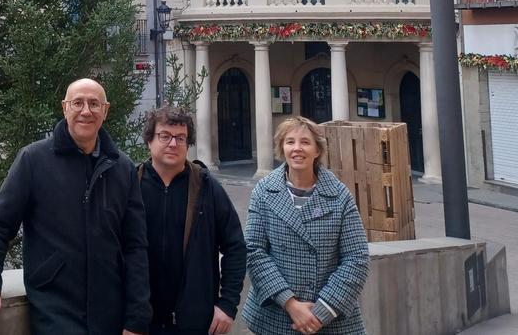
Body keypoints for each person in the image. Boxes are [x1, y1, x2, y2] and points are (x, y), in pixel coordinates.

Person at [0, 78, 151, 334]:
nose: (86, 110)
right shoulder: (33, 160)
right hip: (54, 312)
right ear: (65, 108)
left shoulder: (123, 168)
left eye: (94, 104)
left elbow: (135, 246)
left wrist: (137, 317)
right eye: (78, 103)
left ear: (105, 111)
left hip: (111, 315)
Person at [242, 117, 369, 335]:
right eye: (290, 142)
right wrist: (290, 304)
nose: (297, 149)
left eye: (305, 142)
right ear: (282, 148)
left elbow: (357, 258)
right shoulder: (263, 191)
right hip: (277, 316)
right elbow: (254, 251)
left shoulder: (340, 195)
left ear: (317, 150)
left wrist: (321, 312)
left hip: (331, 319)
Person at [139, 107, 246, 335]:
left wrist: (227, 304)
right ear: (149, 140)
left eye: (181, 138)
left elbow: (235, 247)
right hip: (141, 321)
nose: (173, 144)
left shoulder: (206, 187)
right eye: (164, 136)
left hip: (195, 320)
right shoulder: (131, 185)